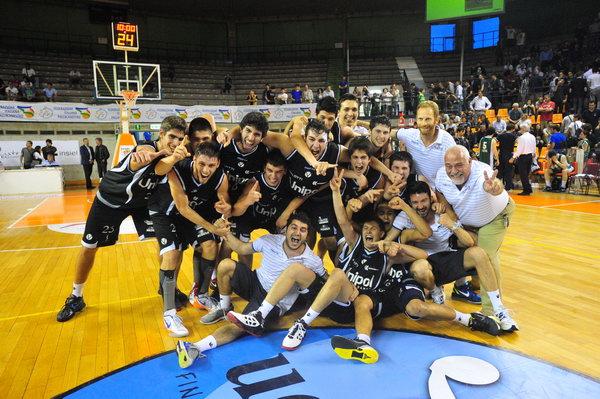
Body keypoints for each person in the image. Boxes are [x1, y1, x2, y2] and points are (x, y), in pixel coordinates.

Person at [56, 116, 187, 322]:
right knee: (89, 246)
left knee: (167, 245)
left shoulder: (174, 156)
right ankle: (76, 296)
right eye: (172, 137)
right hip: (111, 200)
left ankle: (166, 287)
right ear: (161, 134)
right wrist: (144, 155)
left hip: (142, 203)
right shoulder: (146, 149)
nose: (176, 143)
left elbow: (166, 166)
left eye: (180, 139)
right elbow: (143, 155)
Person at [175, 212, 326, 368]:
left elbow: (326, 283)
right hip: (256, 283)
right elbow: (241, 248)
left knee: (239, 327)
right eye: (294, 227)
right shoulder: (270, 241)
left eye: (303, 230)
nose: (297, 232)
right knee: (226, 265)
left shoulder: (312, 260)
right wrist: (226, 233)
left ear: (307, 235)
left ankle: (197, 347)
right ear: (286, 229)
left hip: (274, 302)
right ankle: (225, 308)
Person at [435, 146, 517, 329]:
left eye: (459, 165)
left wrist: (495, 188)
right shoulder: (442, 175)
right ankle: (473, 290)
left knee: (485, 256)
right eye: (449, 165)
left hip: (494, 218)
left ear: (470, 162)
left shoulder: (483, 173)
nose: (453, 170)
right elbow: (440, 192)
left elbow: (495, 186)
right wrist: (448, 210)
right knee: (476, 254)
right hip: (469, 223)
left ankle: (492, 311)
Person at [156, 140, 230, 336]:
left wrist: (223, 216)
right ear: (194, 158)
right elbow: (182, 207)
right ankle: (169, 314)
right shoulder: (178, 169)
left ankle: (201, 295)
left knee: (210, 245)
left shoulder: (220, 177)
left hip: (192, 215)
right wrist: (211, 226)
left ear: (218, 164)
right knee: (172, 254)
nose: (206, 170)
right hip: (166, 212)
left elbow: (225, 204)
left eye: (211, 165)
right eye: (202, 164)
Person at [395, 101, 456, 189]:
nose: (423, 123)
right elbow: (385, 132)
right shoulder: (410, 135)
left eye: (428, 119)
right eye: (420, 119)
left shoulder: (447, 142)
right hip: (421, 192)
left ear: (436, 120)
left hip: (445, 192)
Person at [510, 124, 537, 195]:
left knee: (523, 174)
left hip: (523, 157)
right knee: (526, 174)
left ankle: (526, 190)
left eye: (521, 129)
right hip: (530, 156)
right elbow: (534, 146)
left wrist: (513, 157)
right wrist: (534, 153)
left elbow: (519, 150)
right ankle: (528, 189)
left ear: (524, 129)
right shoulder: (532, 136)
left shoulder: (521, 138)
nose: (520, 131)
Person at [496, 122, 517, 190]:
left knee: (500, 171)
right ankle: (508, 186)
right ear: (513, 129)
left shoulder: (501, 135)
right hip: (509, 155)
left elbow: (496, 142)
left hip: (501, 154)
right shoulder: (514, 136)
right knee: (508, 171)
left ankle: (498, 185)